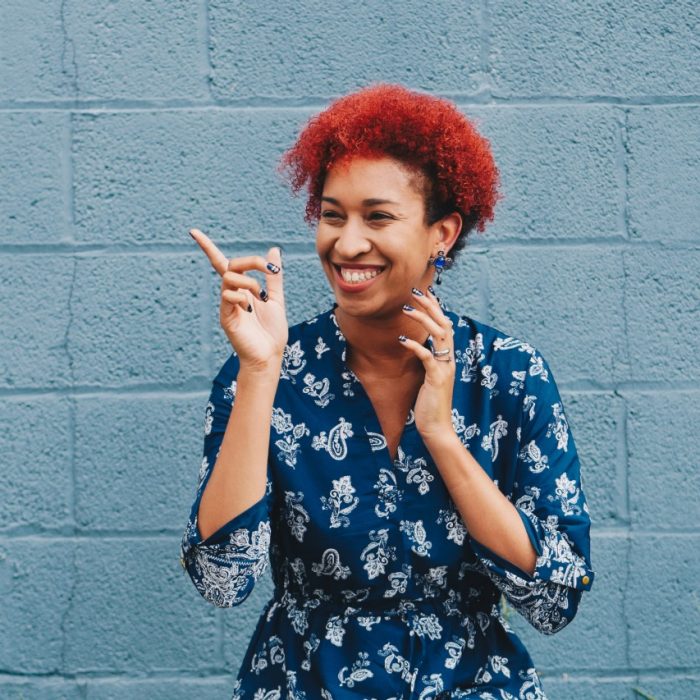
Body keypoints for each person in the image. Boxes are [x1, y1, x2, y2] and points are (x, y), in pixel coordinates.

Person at [180, 83, 595, 699]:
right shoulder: (265, 372)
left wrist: (442, 438)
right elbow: (221, 580)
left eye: (378, 216)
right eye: (331, 215)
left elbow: (554, 599)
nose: (347, 244)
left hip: (471, 684)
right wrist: (261, 374)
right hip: (304, 683)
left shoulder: (508, 376)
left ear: (442, 234)